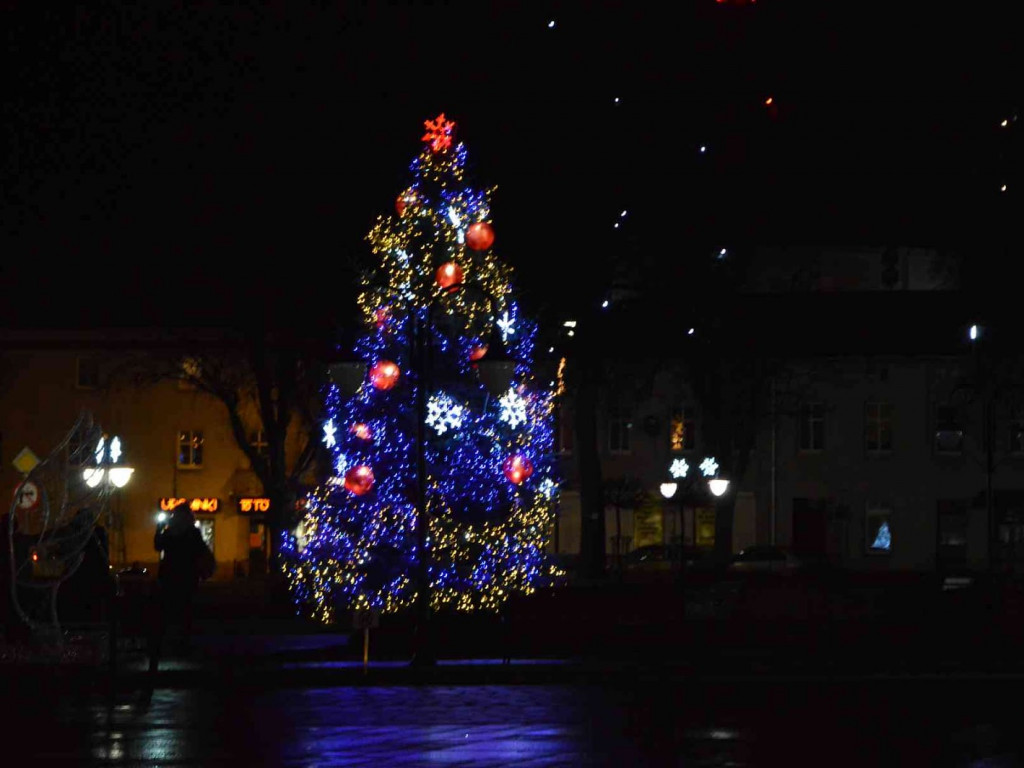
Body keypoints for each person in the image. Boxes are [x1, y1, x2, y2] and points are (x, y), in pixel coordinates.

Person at [148, 507, 213, 672]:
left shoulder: (171, 532)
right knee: (185, 611)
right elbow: (201, 551)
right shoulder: (192, 533)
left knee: (168, 611)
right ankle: (182, 643)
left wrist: (159, 528)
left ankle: (166, 644)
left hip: (170, 576)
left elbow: (158, 545)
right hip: (187, 577)